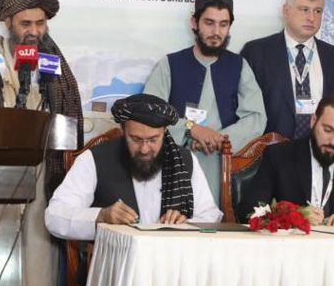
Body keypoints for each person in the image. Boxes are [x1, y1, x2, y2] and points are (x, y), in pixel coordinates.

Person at [0, 0, 85, 286]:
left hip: (43, 174)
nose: (34, 31)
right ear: (7, 22)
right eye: (25, 24)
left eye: (40, 23)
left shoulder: (53, 60)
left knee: (38, 269)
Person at [45, 94, 222, 240]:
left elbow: (210, 215)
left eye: (153, 140)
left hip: (172, 263)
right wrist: (101, 216)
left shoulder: (184, 160)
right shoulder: (94, 159)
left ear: (164, 132)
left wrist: (186, 224)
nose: (144, 149)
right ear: (123, 130)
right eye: (136, 139)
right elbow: (54, 216)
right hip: (118, 264)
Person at [143, 0, 266, 202]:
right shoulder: (170, 64)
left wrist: (220, 139)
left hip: (222, 163)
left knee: (216, 215)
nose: (216, 32)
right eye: (209, 23)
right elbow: (149, 113)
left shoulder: (239, 66)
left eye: (223, 24)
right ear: (194, 23)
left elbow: (256, 117)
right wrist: (191, 129)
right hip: (175, 161)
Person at [240, 93, 334, 225]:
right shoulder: (279, 155)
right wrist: (294, 215)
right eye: (327, 130)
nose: (333, 141)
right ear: (314, 121)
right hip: (293, 240)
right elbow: (248, 210)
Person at [240, 0, 334, 139]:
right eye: (304, 10)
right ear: (286, 11)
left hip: (323, 148)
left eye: (318, 11)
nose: (311, 18)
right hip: (271, 149)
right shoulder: (256, 53)